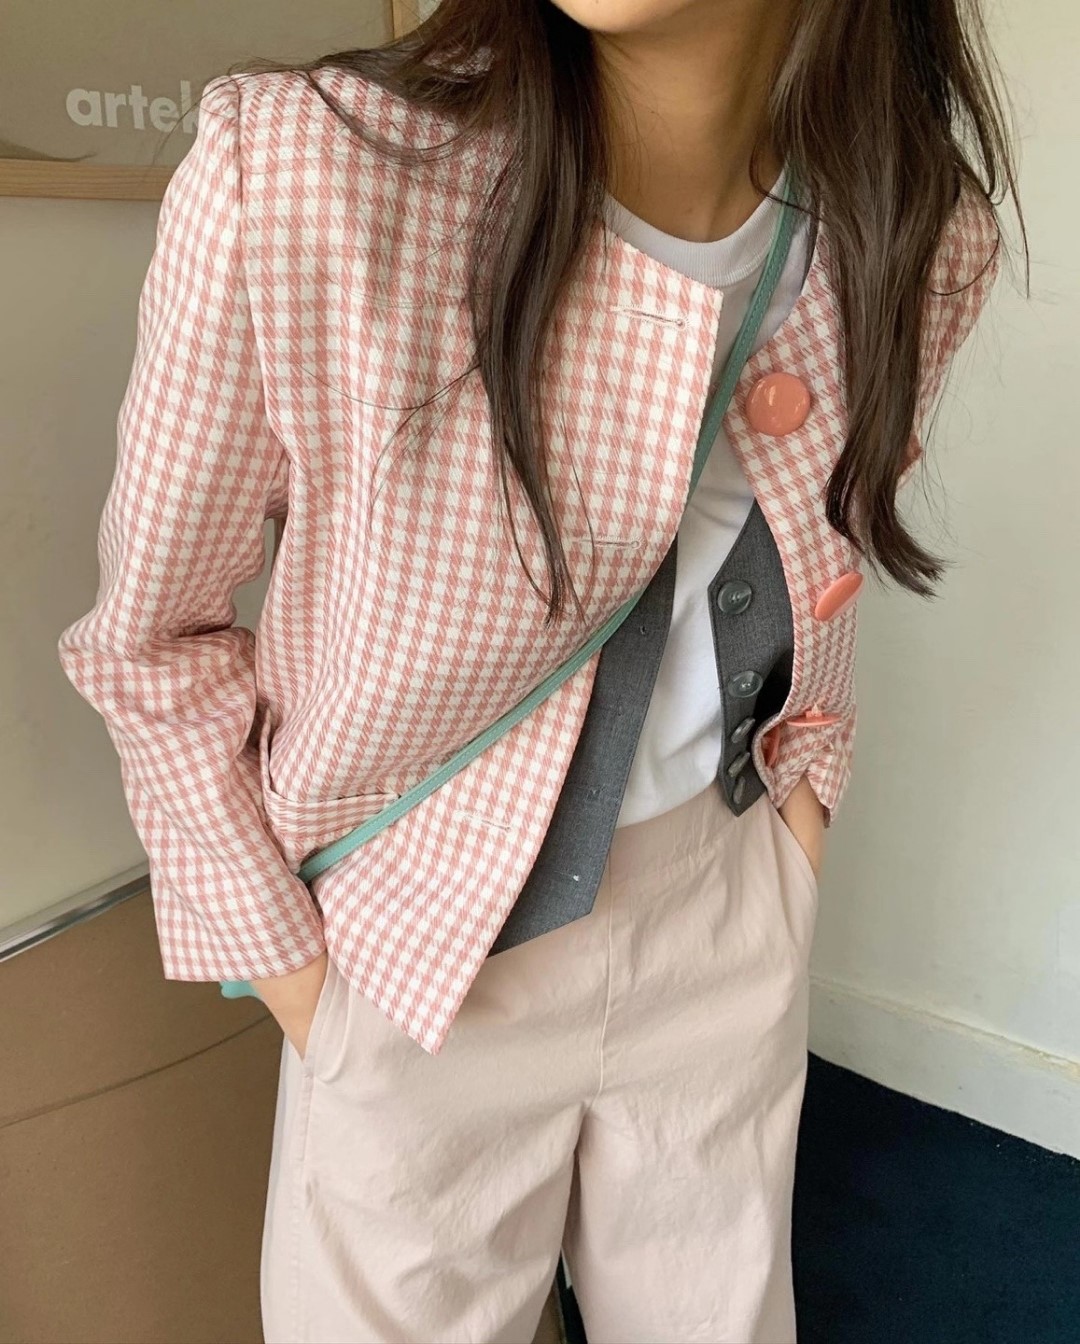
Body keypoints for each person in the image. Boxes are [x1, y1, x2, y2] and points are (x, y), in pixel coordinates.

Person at [58, 1, 1022, 1340]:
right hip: (411, 956)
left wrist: (797, 825)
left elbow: (826, 538)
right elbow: (150, 640)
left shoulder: (919, 231)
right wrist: (296, 977)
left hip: (722, 908)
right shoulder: (302, 171)